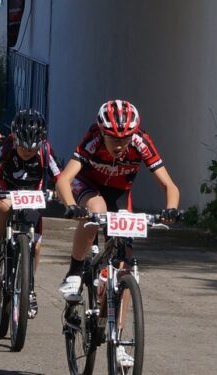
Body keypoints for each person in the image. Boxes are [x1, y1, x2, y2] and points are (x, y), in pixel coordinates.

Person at [56, 99, 180, 303]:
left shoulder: (141, 142)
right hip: (88, 185)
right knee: (97, 209)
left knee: (125, 266)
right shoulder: (93, 138)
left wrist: (171, 210)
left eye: (125, 138)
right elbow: (64, 179)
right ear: (102, 132)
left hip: (119, 192)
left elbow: (170, 186)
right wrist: (72, 206)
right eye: (113, 138)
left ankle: (117, 332)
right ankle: (75, 272)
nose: (120, 144)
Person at [0, 109, 60, 319]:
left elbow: (61, 178)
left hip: (32, 193)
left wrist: (61, 195)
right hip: (6, 186)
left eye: (32, 150)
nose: (26, 153)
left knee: (37, 244)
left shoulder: (46, 151)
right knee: (2, 206)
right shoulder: (6, 146)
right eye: (22, 148)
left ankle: (28, 287)